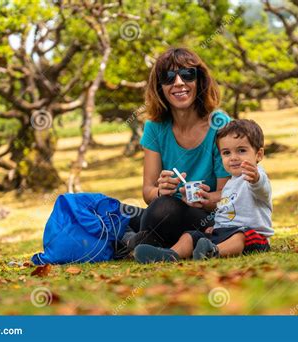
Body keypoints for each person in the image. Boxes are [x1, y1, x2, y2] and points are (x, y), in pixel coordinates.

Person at [116, 47, 233, 257]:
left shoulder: (219, 124)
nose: (178, 83)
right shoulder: (155, 127)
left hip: (209, 217)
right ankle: (142, 242)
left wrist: (205, 199)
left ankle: (136, 242)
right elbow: (148, 192)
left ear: (200, 81)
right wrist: (161, 190)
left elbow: (228, 196)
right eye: (168, 77)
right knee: (122, 210)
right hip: (163, 212)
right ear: (160, 87)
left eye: (187, 74)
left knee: (163, 210)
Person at [133, 119, 273, 263]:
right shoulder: (231, 183)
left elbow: (262, 189)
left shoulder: (255, 177)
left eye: (241, 150)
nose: (233, 158)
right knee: (191, 235)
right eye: (226, 153)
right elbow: (225, 210)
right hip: (224, 232)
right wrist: (216, 227)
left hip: (254, 236)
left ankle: (214, 252)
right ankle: (170, 254)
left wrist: (256, 178)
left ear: (259, 155)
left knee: (240, 235)